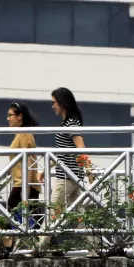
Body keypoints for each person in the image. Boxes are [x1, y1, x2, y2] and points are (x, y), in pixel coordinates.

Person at [43, 87, 95, 253]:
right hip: (70, 175)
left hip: (67, 176)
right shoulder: (67, 123)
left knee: (52, 211)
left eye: (54, 103)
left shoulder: (71, 123)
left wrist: (89, 171)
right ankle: (94, 248)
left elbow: (81, 147)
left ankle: (39, 246)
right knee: (80, 216)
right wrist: (47, 168)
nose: (52, 106)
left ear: (62, 103)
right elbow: (63, 152)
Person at [0, 102, 40, 257]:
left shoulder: (23, 135)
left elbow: (28, 160)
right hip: (24, 183)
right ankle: (50, 245)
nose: (8, 119)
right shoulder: (23, 133)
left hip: (23, 184)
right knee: (33, 217)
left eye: (10, 115)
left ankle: (6, 246)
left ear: (20, 117)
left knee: (12, 213)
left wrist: (26, 186)